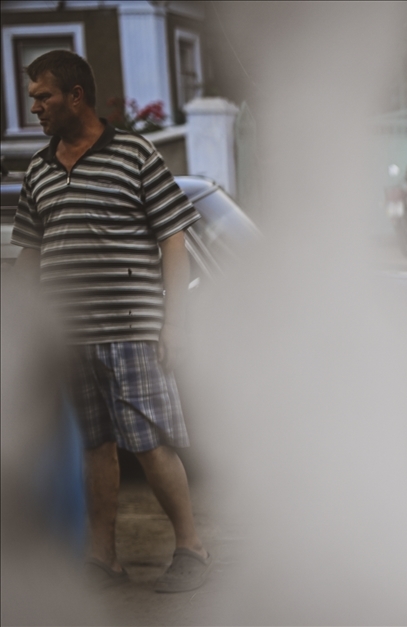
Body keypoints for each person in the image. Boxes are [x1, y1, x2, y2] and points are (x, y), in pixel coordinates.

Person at [12, 50, 210, 592]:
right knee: (93, 446)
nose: (35, 108)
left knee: (149, 443)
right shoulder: (40, 167)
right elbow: (29, 255)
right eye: (32, 99)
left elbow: (174, 238)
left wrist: (175, 324)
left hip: (130, 330)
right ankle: (104, 559)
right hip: (67, 337)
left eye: (43, 96)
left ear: (75, 95)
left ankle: (192, 548)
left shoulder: (135, 153)